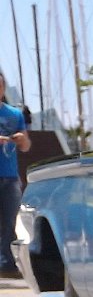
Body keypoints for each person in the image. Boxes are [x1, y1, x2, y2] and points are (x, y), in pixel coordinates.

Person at [0, 73, 32, 279]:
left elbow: (27, 146)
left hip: (10, 176)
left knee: (10, 221)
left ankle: (7, 264)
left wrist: (21, 140)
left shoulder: (14, 114)